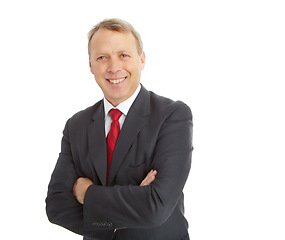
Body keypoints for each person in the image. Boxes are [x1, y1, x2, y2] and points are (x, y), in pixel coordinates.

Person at [46, 18, 193, 240]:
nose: (114, 68)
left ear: (141, 60)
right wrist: (130, 210)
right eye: (102, 57)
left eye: (124, 55)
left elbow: (157, 207)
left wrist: (87, 193)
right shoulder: (76, 125)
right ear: (91, 65)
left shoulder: (172, 116)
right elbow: (57, 206)